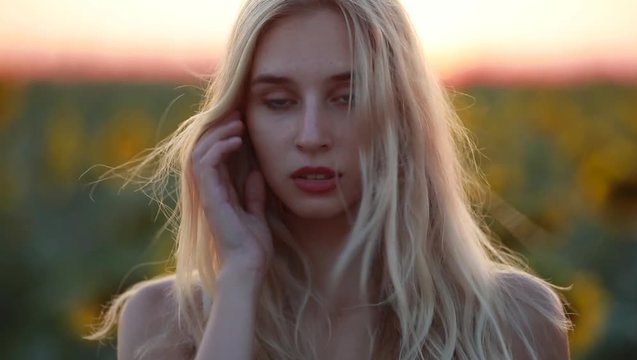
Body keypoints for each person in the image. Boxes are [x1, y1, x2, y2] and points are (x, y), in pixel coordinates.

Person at [88, 0, 571, 359]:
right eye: (279, 101)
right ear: (238, 121)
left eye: (348, 96)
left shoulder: (514, 322)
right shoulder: (162, 325)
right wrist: (238, 279)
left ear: (402, 115)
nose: (312, 136)